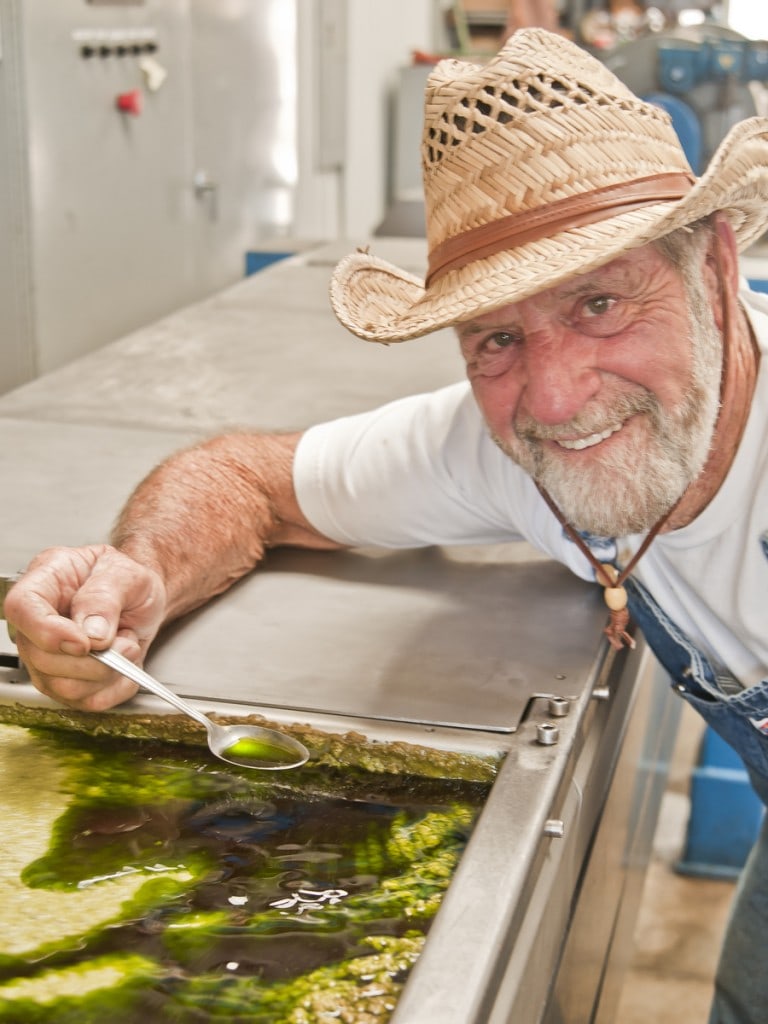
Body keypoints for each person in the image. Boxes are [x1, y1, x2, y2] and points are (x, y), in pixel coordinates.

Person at [4, 28, 768, 1024]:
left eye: (600, 301)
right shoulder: (506, 445)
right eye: (496, 335)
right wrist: (140, 576)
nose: (553, 395)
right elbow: (245, 478)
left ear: (716, 265)